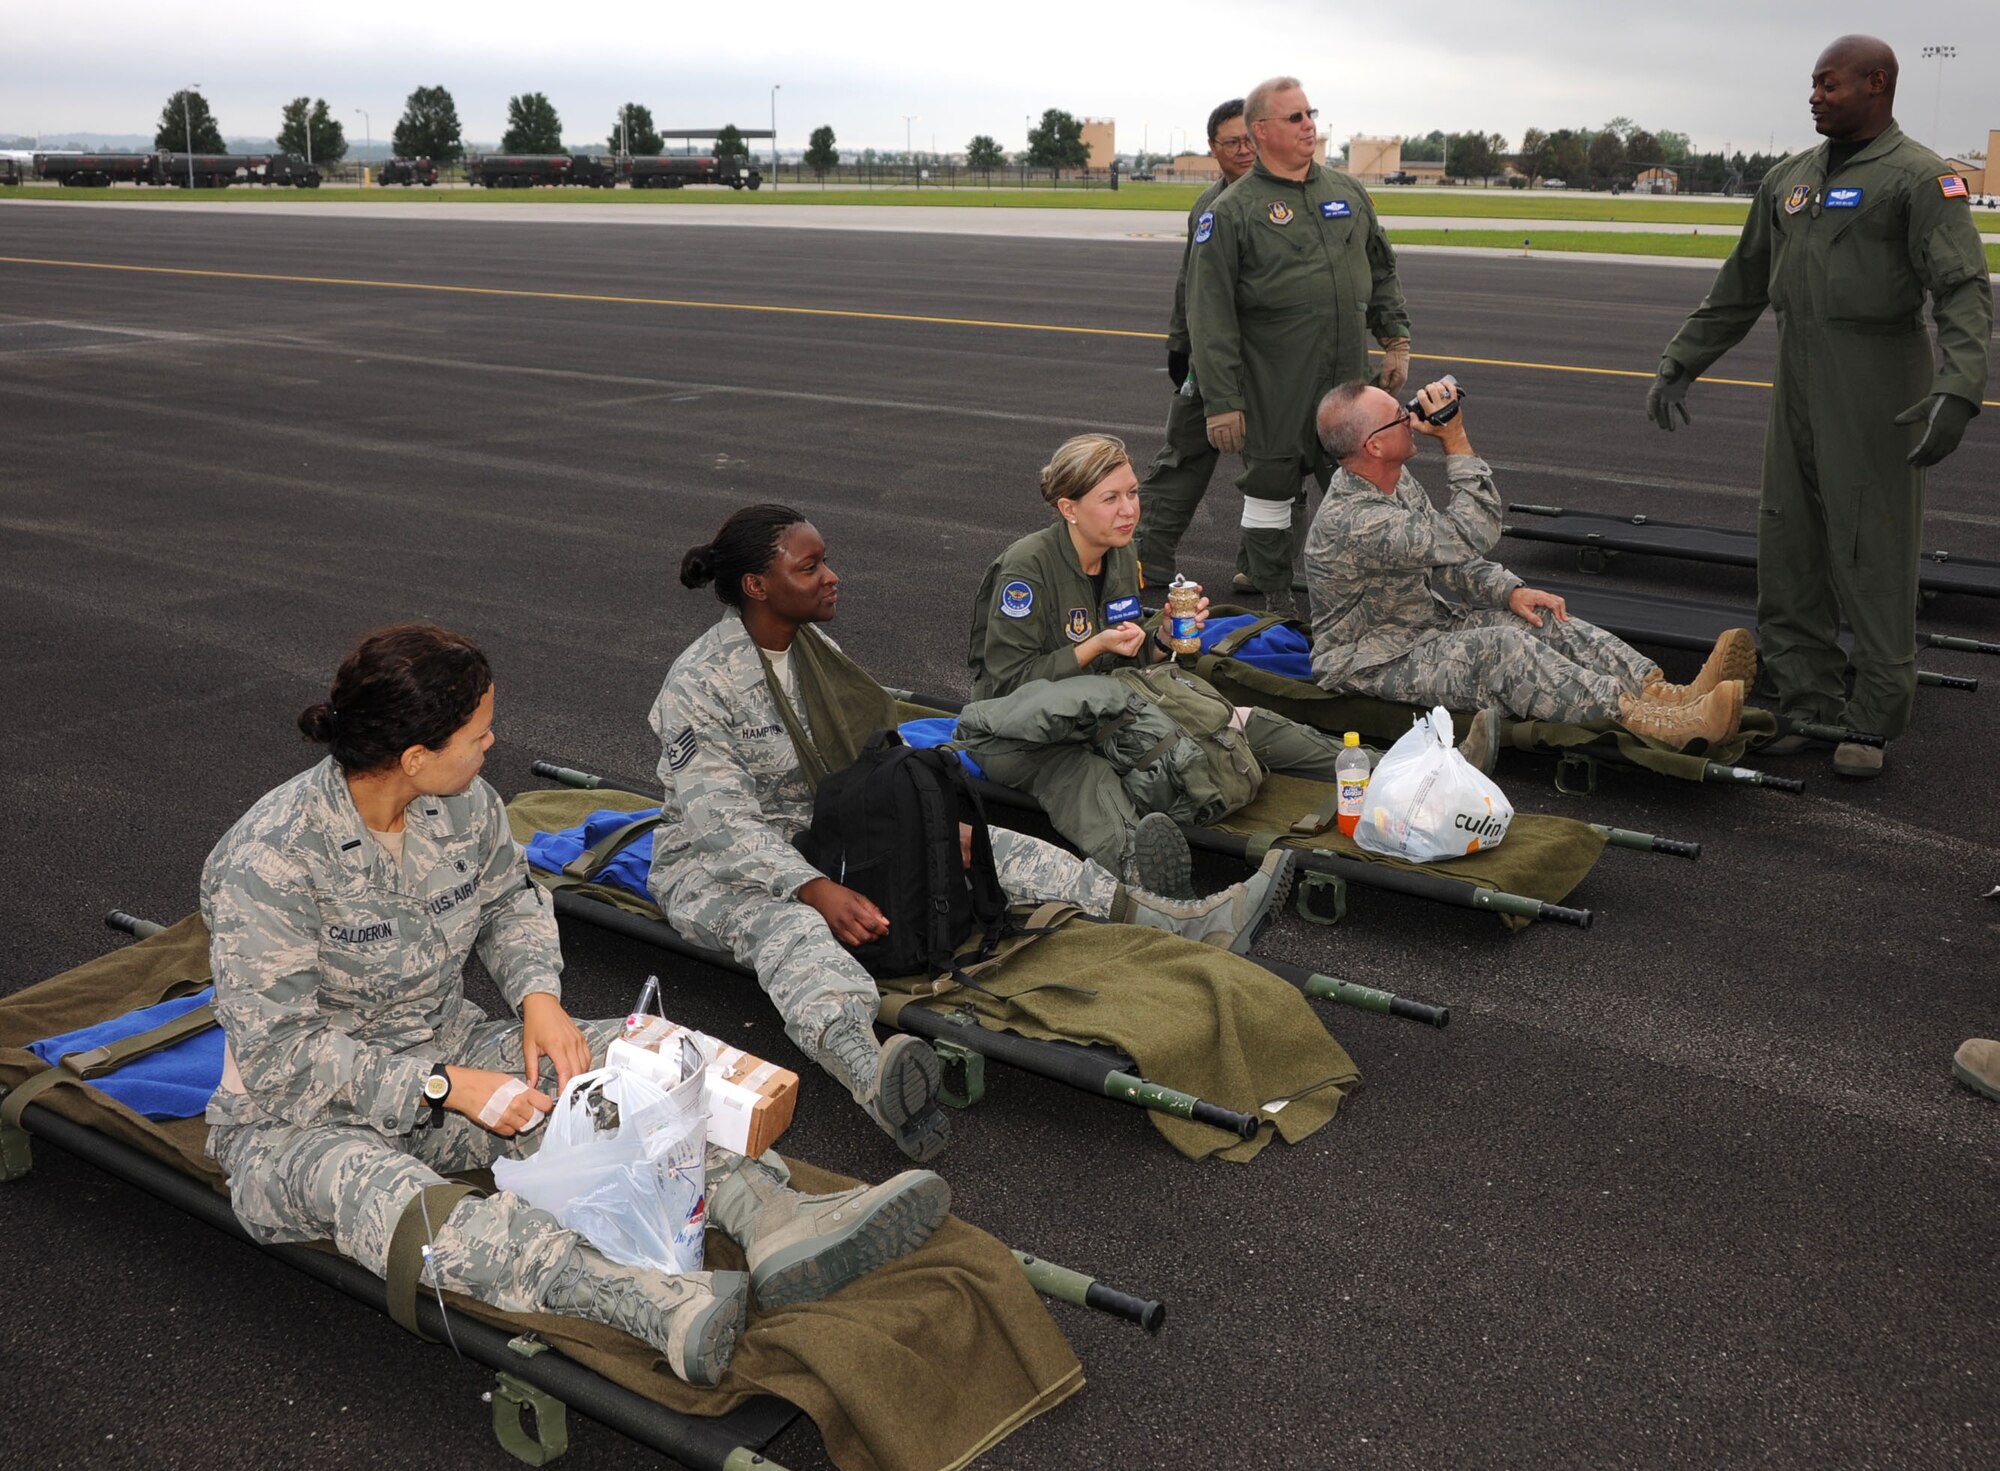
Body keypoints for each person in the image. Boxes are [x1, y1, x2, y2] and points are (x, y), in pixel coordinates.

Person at [203, 624, 948, 1390]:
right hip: (295, 1120)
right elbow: (280, 1055)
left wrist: (538, 999)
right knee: (397, 1203)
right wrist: (445, 1085)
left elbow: (511, 906)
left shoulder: (463, 806)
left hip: (446, 1044)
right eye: (478, 731)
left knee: (621, 1071)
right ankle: (647, 1301)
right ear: (416, 755)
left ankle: (770, 1215)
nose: (493, 740)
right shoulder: (271, 857)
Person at [650, 506, 1295, 1164]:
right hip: (718, 870)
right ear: (758, 586)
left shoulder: (816, 655)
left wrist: (923, 822)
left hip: (826, 833)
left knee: (985, 841)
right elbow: (716, 822)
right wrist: (815, 887)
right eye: (809, 567)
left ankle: (1181, 919)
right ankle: (872, 1075)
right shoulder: (702, 682)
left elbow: (872, 757)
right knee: (790, 931)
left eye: (826, 561)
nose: (832, 577)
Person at [1646, 35, 1991, 778]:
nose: (1815, 95)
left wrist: (1959, 385)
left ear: (1878, 85)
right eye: (1812, 84)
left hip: (1878, 382)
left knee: (1871, 547)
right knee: (1790, 543)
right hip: (1796, 379)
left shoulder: (1920, 178)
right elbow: (1739, 286)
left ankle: (1873, 718)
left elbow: (1963, 288)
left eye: (1830, 85)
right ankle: (1808, 702)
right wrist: (1682, 360)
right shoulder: (1789, 180)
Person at [967, 434, 1498, 869]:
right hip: (1019, 730)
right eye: (1111, 499)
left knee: (1235, 721)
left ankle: (1414, 774)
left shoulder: (1119, 551)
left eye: (1132, 493)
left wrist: (1161, 642)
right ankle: (1140, 874)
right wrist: (1095, 647)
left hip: (1108, 702)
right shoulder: (1027, 570)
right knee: (1078, 772)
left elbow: (1122, 652)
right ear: (1069, 509)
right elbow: (1010, 685)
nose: (1130, 510)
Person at [1305, 380, 1755, 750]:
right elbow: (1472, 532)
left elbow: (1448, 559)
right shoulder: (1356, 519)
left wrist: (1509, 591)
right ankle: (1653, 722)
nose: (1413, 418)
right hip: (1371, 660)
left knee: (1542, 619)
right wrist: (1455, 439)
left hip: (1422, 629)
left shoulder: (1394, 482)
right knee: (1503, 648)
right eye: (1401, 417)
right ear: (1376, 445)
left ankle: (1669, 695)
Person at [1184, 75, 1412, 609]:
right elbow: (1208, 314)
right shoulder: (1232, 211)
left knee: (1364, 485)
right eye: (1295, 118)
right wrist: (1222, 402)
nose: (1309, 125)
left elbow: (1381, 268)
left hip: (1349, 382)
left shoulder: (1347, 193)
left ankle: (1362, 595)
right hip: (1274, 384)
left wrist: (1395, 337)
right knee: (1271, 492)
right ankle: (1273, 597)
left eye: (1310, 114)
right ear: (1260, 131)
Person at [1131, 97, 1258, 590]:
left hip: (1269, 360)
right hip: (1208, 357)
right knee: (1181, 452)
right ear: (1213, 148)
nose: (1243, 149)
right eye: (1232, 141)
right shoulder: (1206, 205)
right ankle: (1149, 558)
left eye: (1250, 138)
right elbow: (1190, 280)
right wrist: (1179, 343)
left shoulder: (1287, 201)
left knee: (1273, 467)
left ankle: (1263, 567)